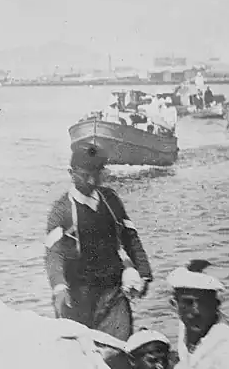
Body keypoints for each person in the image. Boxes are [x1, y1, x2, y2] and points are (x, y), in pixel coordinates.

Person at [43, 146, 153, 340]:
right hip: (76, 296)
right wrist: (59, 288)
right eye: (85, 175)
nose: (92, 181)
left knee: (118, 350)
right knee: (81, 355)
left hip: (112, 294)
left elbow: (130, 236)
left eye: (97, 175)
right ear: (72, 173)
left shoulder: (110, 199)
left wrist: (143, 272)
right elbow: (54, 254)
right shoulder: (61, 211)